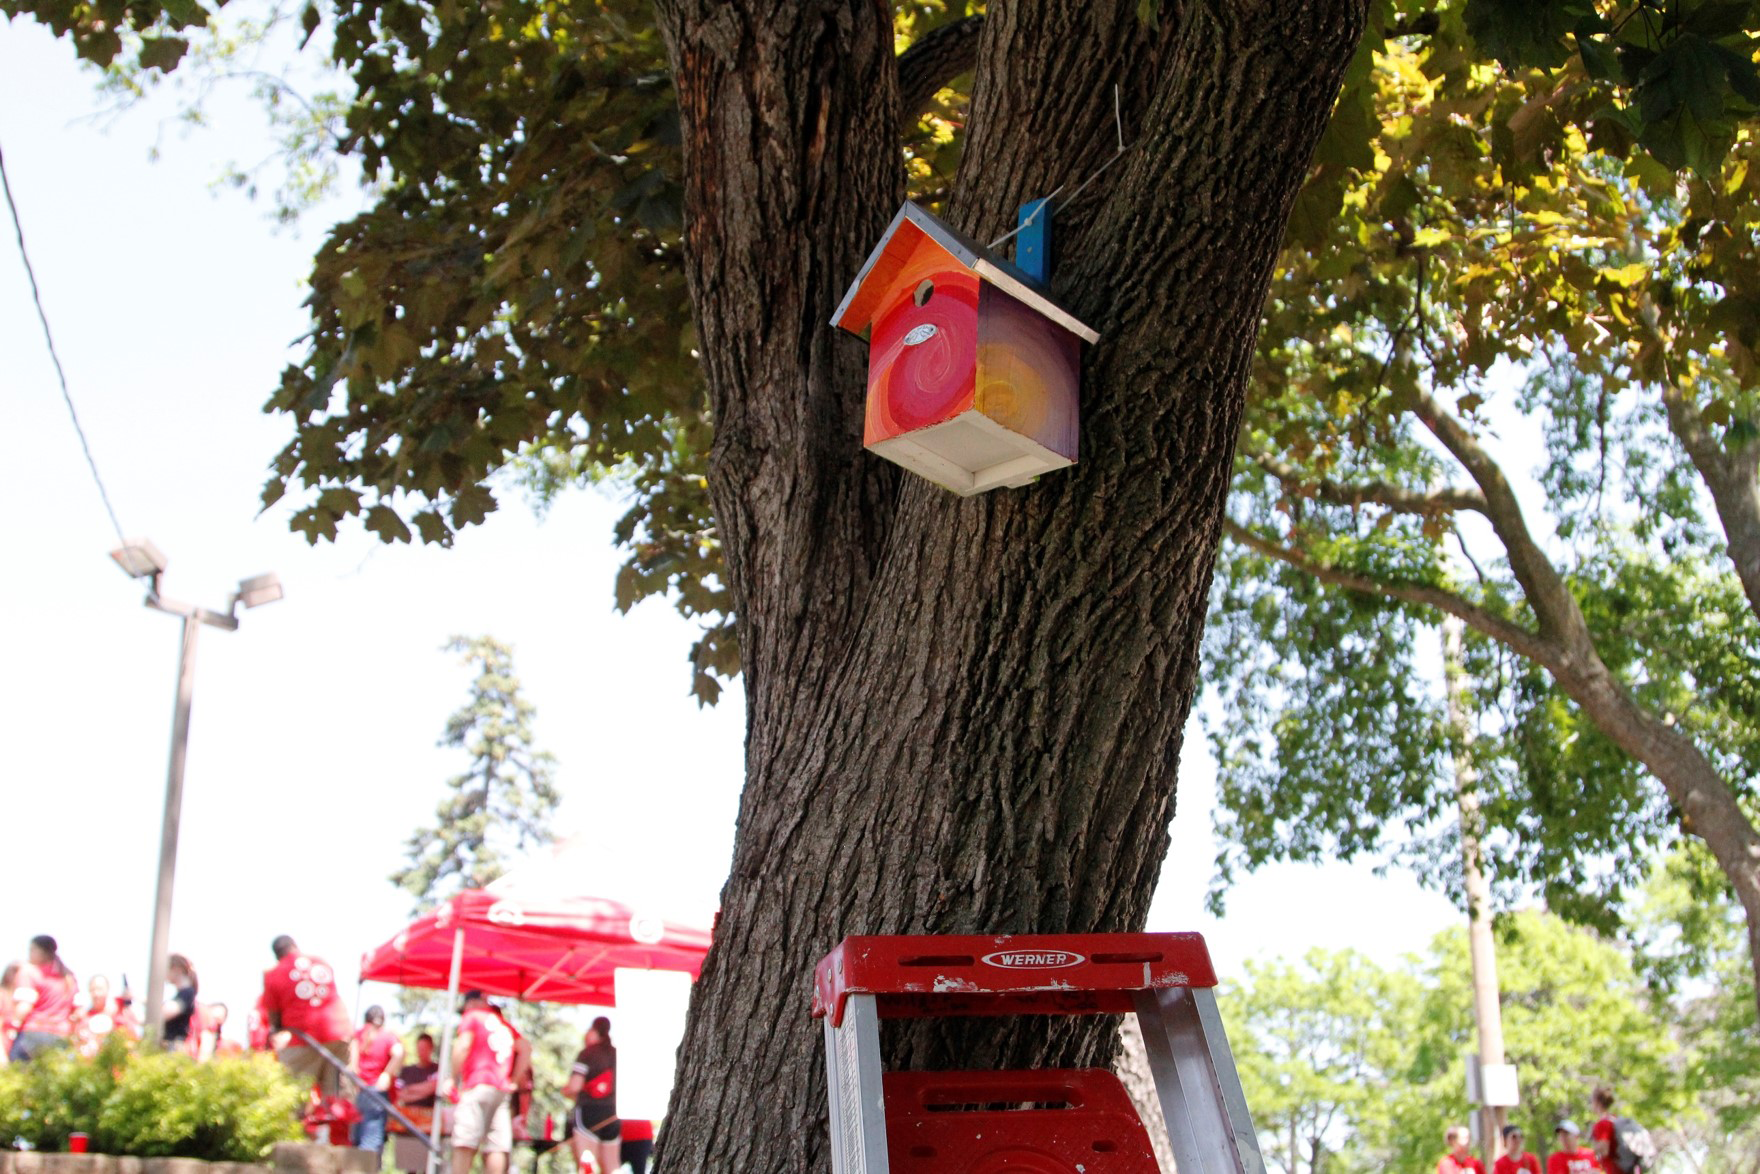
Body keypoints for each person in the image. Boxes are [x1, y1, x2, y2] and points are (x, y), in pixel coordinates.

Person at [260, 935, 352, 1099]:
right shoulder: (321, 962)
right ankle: (336, 1117)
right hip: (340, 1031)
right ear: (295, 945)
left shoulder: (274, 974)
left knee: (287, 1093)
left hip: (306, 1036)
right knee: (336, 1096)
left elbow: (274, 1016)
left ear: (276, 955)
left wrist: (276, 1030)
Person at [450, 991, 518, 1174]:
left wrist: (451, 1077)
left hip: (477, 1084)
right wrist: (514, 1080)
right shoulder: (502, 1023)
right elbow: (525, 1047)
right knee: (496, 1145)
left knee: (464, 1140)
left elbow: (463, 1045)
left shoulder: (472, 1017)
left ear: (471, 1003)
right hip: (501, 1088)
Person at [563, 1017, 619, 1174]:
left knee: (587, 1163)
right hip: (612, 1113)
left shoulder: (587, 1053)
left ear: (594, 1031)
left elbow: (575, 1086)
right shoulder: (616, 1054)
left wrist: (566, 1091)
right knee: (612, 1166)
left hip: (589, 1111)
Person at [9, 935, 78, 1062]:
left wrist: (12, 1026)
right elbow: (77, 1011)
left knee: (20, 1075)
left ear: (42, 952)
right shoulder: (69, 978)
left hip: (33, 1034)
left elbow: (25, 1005)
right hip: (60, 1036)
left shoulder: (30, 972)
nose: (29, 954)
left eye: (32, 950)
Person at [349, 1005, 405, 1154]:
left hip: (360, 1090)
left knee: (358, 1135)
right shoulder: (386, 1036)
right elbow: (399, 1052)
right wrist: (387, 1074)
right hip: (376, 1091)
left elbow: (352, 1066)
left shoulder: (357, 1035)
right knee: (372, 1138)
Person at [393, 1033, 441, 1174]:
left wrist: (411, 1089)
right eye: (419, 1048)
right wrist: (423, 1089)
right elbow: (399, 1094)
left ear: (431, 1049)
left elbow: (434, 1087)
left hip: (430, 1124)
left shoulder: (437, 1068)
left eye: (425, 1048)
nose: (421, 1052)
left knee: (428, 1164)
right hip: (409, 1123)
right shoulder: (407, 1071)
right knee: (410, 1164)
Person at [162, 954, 199, 1050]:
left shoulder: (187, 993)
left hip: (174, 1047)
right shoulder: (184, 994)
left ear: (177, 969)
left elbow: (166, 1012)